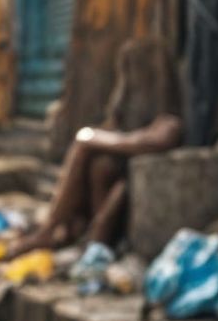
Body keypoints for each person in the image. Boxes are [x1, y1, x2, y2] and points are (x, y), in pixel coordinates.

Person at [9, 38, 183, 254]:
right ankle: (70, 231)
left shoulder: (167, 119)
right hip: (113, 175)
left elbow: (155, 140)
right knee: (100, 164)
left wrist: (89, 140)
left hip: (133, 186)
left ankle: (61, 231)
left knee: (102, 165)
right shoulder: (125, 115)